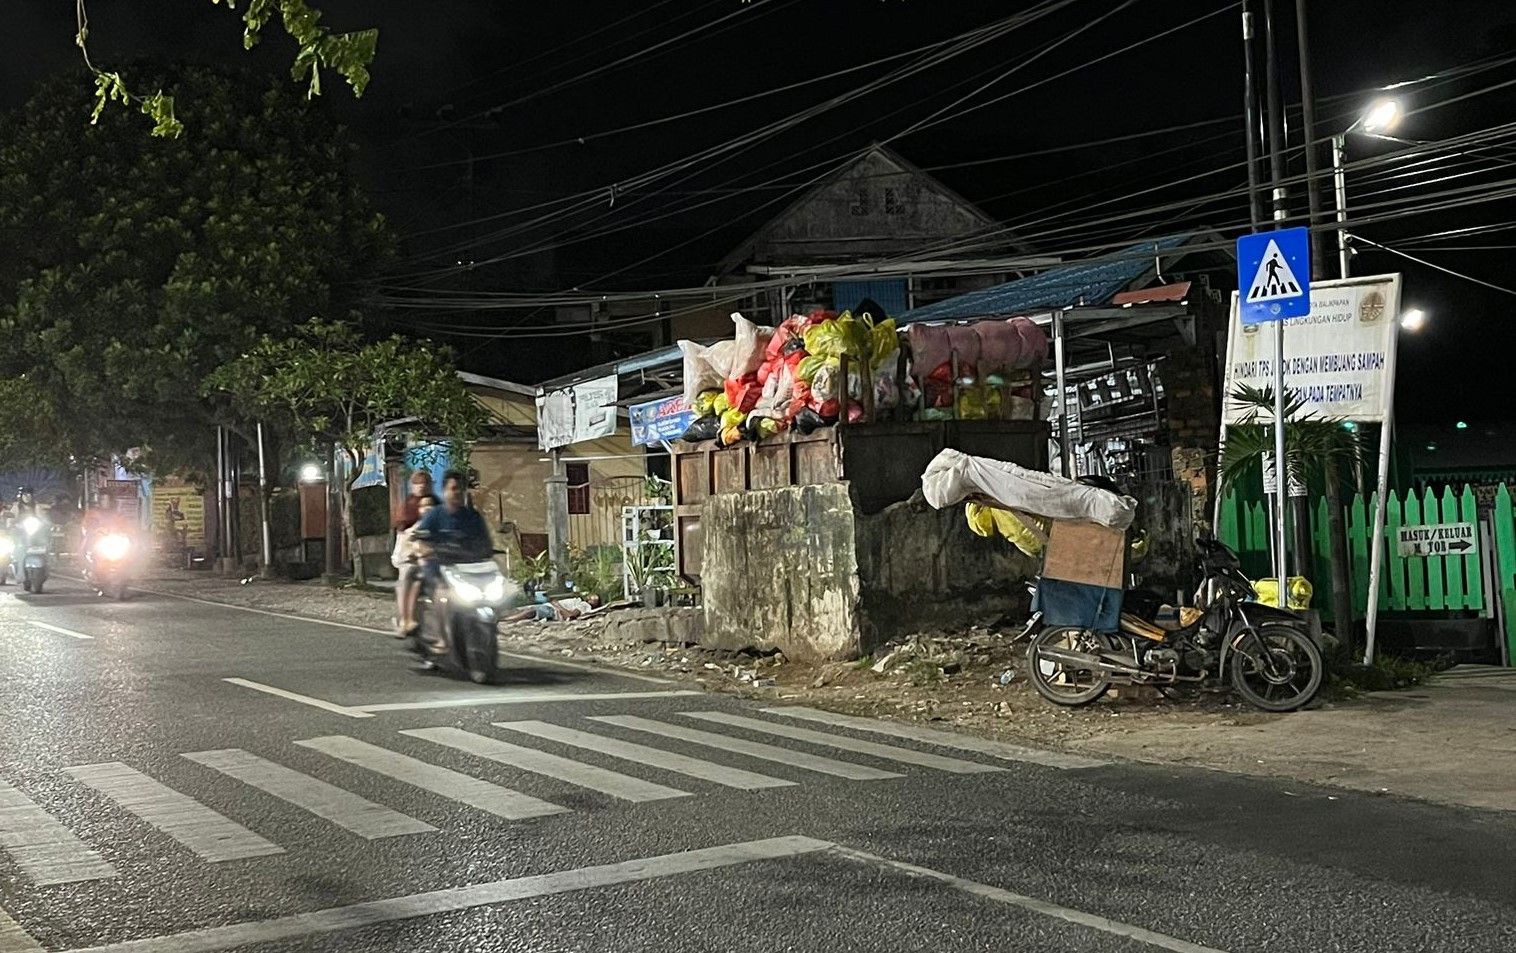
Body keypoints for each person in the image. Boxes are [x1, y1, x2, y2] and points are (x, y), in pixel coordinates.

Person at [393, 470, 435, 637]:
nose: (421, 487)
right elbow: (404, 537)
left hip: (433, 554)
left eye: (424, 483)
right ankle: (406, 619)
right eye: (418, 484)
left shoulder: (438, 504)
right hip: (409, 555)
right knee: (408, 577)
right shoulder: (407, 506)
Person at [504, 593, 603, 623]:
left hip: (552, 610)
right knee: (518, 610)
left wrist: (557, 605)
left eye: (594, 599)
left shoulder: (585, 605)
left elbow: (571, 615)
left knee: (529, 612)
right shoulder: (579, 601)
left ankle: (503, 619)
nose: (591, 597)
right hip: (549, 606)